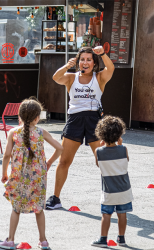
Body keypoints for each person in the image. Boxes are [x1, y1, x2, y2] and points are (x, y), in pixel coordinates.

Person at [46, 45, 115, 209]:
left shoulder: (99, 78)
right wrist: (67, 66)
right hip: (75, 119)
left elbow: (111, 68)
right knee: (64, 161)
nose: (85, 62)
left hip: (94, 120)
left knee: (102, 161)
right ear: (78, 62)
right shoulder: (71, 77)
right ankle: (55, 198)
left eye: (89, 60)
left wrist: (103, 54)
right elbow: (55, 77)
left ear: (94, 62)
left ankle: (112, 197)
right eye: (82, 59)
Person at [0, 98, 63, 250]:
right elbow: (60, 148)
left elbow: (6, 155)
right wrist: (49, 163)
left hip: (18, 176)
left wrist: (4, 173)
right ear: (37, 118)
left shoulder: (13, 132)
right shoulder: (41, 132)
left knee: (16, 208)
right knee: (39, 208)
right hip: (38, 177)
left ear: (19, 116)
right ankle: (43, 240)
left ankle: (10, 239)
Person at [91, 115, 133, 248]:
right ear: (119, 134)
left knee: (106, 215)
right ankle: (121, 238)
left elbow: (99, 165)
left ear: (101, 135)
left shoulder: (98, 152)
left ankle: (103, 239)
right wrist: (120, 144)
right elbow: (126, 160)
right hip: (124, 190)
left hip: (109, 191)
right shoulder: (124, 149)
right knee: (122, 215)